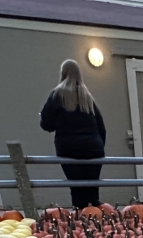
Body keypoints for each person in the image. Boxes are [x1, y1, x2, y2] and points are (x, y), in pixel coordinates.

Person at [40, 60, 106, 209]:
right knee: (93, 186)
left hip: (68, 148)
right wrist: (99, 146)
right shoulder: (87, 97)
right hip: (93, 147)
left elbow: (46, 123)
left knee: (76, 186)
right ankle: (97, 216)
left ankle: (81, 216)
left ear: (63, 73)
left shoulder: (56, 95)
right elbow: (101, 126)